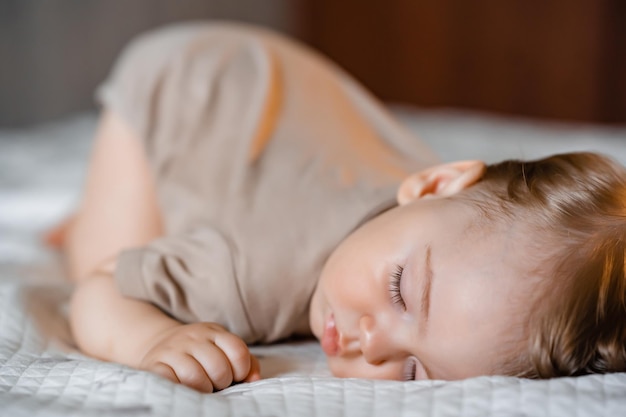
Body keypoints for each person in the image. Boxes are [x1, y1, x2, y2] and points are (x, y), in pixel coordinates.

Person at [62, 22, 626, 393]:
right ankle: (77, 225)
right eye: (401, 289)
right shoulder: (251, 271)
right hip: (185, 73)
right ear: (433, 184)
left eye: (413, 371)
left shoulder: (439, 217)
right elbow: (100, 290)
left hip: (286, 89)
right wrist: (152, 340)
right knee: (96, 254)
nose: (373, 343)